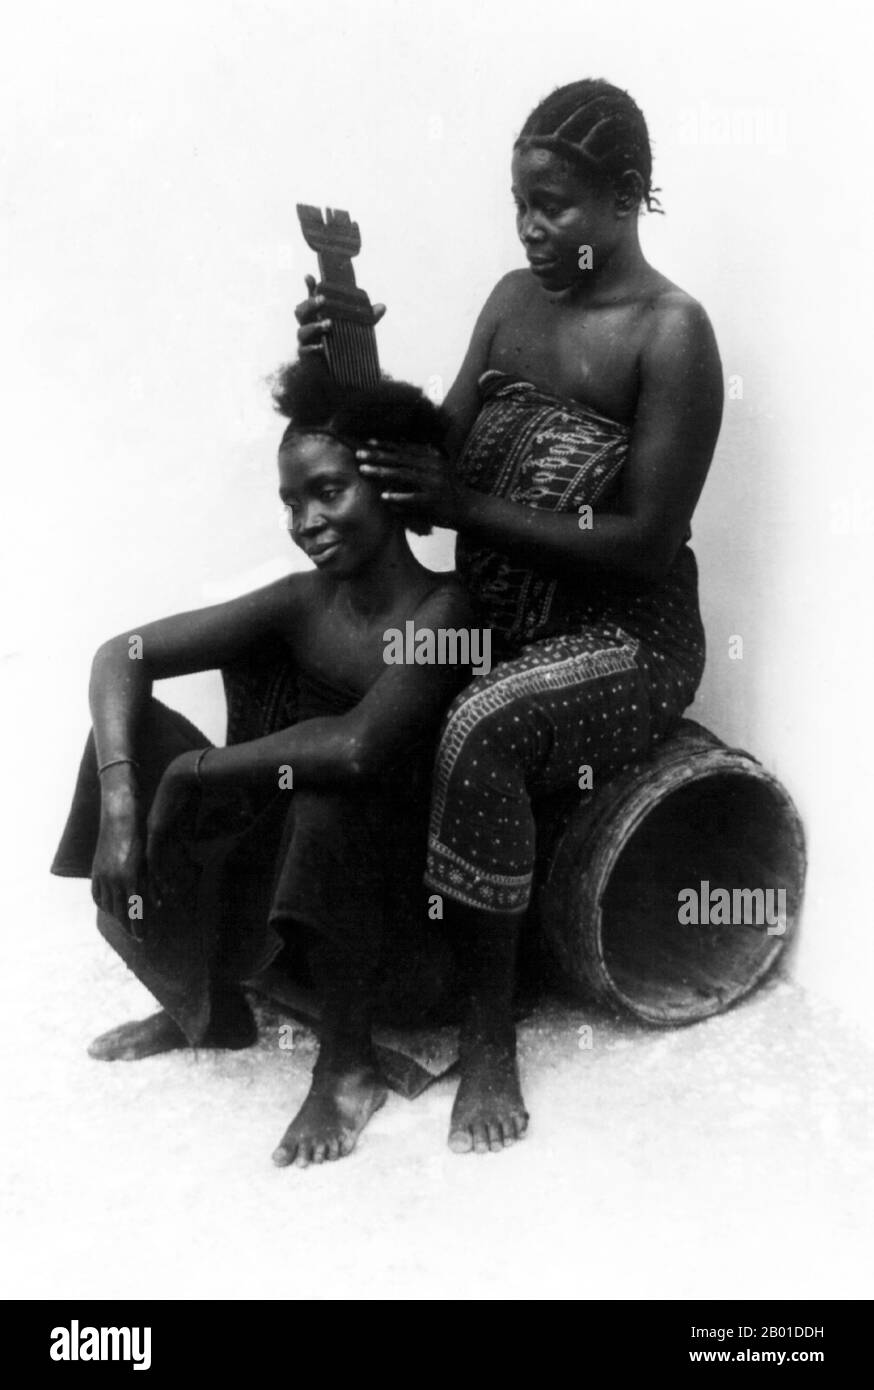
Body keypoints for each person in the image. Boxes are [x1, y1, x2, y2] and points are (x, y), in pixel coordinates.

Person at [298, 78, 724, 1155]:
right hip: (497, 618)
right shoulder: (510, 300)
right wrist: (339, 347)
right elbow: (422, 461)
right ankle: (291, 989)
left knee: (480, 722)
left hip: (626, 639)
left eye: (557, 207)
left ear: (626, 198)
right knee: (332, 670)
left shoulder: (671, 335)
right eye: (521, 205)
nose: (533, 230)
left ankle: (490, 1032)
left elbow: (640, 538)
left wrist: (465, 506)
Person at [51, 358, 475, 1167]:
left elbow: (359, 746)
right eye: (290, 501)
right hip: (287, 883)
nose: (306, 520)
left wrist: (196, 774)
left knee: (324, 788)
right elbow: (123, 653)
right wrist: (121, 800)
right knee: (131, 738)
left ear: (389, 486)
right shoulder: (302, 599)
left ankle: (347, 1065)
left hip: (397, 922)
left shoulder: (449, 609)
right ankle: (204, 1000)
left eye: (328, 491)